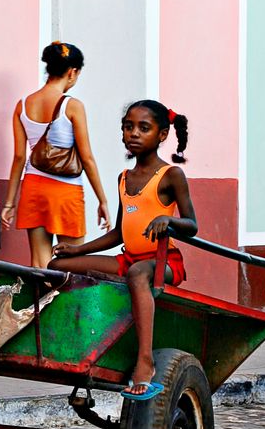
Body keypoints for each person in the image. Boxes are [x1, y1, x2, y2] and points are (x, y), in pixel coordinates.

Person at [49, 100, 198, 400]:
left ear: (162, 134)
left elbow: (192, 225)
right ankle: (81, 342)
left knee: (138, 272)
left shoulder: (170, 176)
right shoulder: (124, 178)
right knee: (56, 268)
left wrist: (168, 220)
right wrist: (75, 251)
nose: (134, 133)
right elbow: (119, 232)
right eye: (128, 127)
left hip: (162, 262)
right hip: (128, 258)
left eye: (144, 128)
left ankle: (145, 362)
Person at [1, 42, 110, 269]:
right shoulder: (73, 106)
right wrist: (103, 200)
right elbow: (87, 158)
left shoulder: (22, 105)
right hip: (65, 192)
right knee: (73, 264)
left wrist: (10, 203)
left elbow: (20, 158)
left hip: (33, 189)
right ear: (72, 72)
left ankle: (41, 305)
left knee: (40, 265)